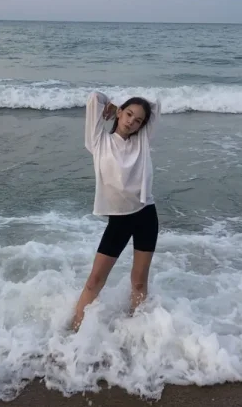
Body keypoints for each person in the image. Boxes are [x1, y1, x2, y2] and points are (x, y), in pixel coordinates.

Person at [71, 91, 161, 332]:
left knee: (139, 282)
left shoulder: (142, 141)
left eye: (138, 120)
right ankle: (73, 332)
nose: (132, 121)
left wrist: (128, 108)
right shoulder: (99, 142)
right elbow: (94, 99)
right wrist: (113, 103)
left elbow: (154, 101)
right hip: (119, 220)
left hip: (146, 215)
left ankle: (136, 333)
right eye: (128, 114)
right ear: (119, 113)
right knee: (95, 281)